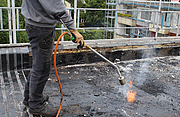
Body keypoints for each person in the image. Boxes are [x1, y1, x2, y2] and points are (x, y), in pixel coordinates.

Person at [21, 0, 84, 116]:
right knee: (41, 69)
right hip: (41, 28)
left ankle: (29, 98)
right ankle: (36, 105)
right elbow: (55, 5)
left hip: (35, 23)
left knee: (38, 66)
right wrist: (73, 29)